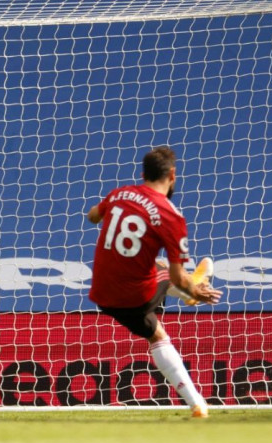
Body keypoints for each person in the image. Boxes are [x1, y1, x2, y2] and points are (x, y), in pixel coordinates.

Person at [87, 146, 222, 418]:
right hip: (135, 296)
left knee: (157, 334)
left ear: (142, 174)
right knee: (168, 270)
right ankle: (192, 294)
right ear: (173, 175)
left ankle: (197, 404)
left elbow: (93, 216)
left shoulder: (118, 194)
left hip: (102, 294)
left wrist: (106, 209)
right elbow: (176, 276)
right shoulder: (171, 215)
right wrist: (194, 287)